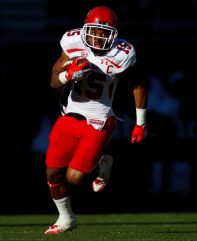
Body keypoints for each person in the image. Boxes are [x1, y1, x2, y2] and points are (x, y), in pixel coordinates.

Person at [44, 6, 147, 235]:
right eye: (95, 31)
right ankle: (66, 218)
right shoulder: (72, 42)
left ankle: (104, 164)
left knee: (73, 177)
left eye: (104, 33)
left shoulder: (123, 52)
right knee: (52, 173)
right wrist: (68, 75)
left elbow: (138, 85)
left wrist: (141, 123)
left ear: (114, 34)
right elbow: (54, 81)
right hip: (70, 114)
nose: (98, 37)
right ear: (85, 29)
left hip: (99, 119)